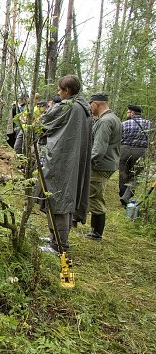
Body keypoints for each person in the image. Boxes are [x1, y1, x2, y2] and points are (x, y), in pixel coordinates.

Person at [38, 75, 92, 254]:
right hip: (72, 160)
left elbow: (44, 124)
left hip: (62, 161)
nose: (58, 92)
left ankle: (59, 245)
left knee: (58, 199)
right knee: (64, 199)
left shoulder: (67, 106)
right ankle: (56, 238)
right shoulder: (82, 107)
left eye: (60, 89)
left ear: (67, 91)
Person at [84, 93, 121, 240]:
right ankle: (95, 231)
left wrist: (87, 163)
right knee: (95, 194)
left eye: (90, 103)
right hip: (108, 163)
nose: (89, 107)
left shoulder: (105, 121)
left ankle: (96, 233)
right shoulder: (114, 118)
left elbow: (98, 149)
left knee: (95, 197)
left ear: (96, 103)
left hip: (100, 165)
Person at [119, 105, 153, 205]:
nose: (127, 114)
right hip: (141, 152)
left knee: (123, 174)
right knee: (136, 176)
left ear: (133, 113)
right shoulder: (149, 123)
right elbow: (150, 137)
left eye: (128, 112)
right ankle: (127, 196)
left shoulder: (123, 124)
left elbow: (119, 138)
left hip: (124, 150)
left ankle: (122, 196)